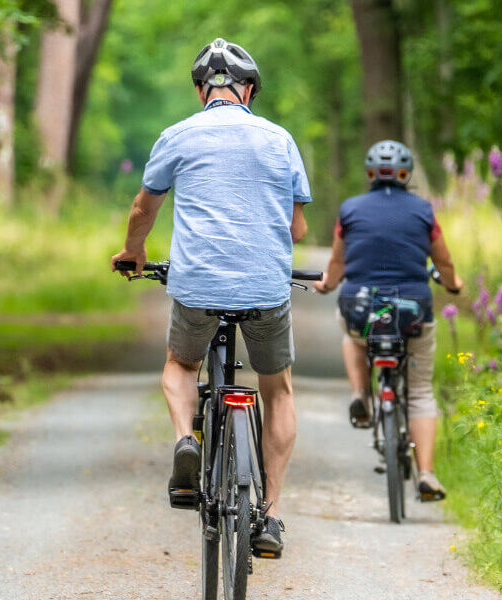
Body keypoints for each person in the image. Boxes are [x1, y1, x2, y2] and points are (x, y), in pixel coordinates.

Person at [110, 38, 311, 555]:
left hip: (197, 285)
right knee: (278, 389)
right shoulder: (280, 140)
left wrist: (134, 252)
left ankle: (186, 439)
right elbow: (298, 228)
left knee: (181, 365)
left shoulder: (177, 136)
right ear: (249, 90)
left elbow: (143, 209)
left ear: (202, 91)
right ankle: (271, 516)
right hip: (265, 288)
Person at [313, 140, 462, 501]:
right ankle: (426, 474)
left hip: (361, 309)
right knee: (421, 391)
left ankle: (360, 394)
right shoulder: (424, 211)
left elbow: (337, 263)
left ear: (370, 173)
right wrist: (454, 284)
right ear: (406, 174)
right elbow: (443, 261)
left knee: (352, 333)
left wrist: (328, 284)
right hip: (412, 311)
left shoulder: (350, 209)